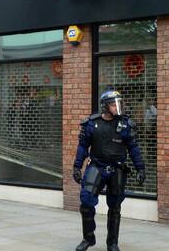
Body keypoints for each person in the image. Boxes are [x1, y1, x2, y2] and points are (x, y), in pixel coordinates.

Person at [72, 90, 146, 251]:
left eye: (119, 103)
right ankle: (88, 239)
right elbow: (83, 147)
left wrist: (140, 168)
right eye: (114, 104)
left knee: (115, 207)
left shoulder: (126, 124)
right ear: (105, 106)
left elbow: (133, 148)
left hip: (117, 169)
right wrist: (77, 166)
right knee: (86, 203)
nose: (118, 107)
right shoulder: (91, 123)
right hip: (96, 166)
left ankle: (112, 243)